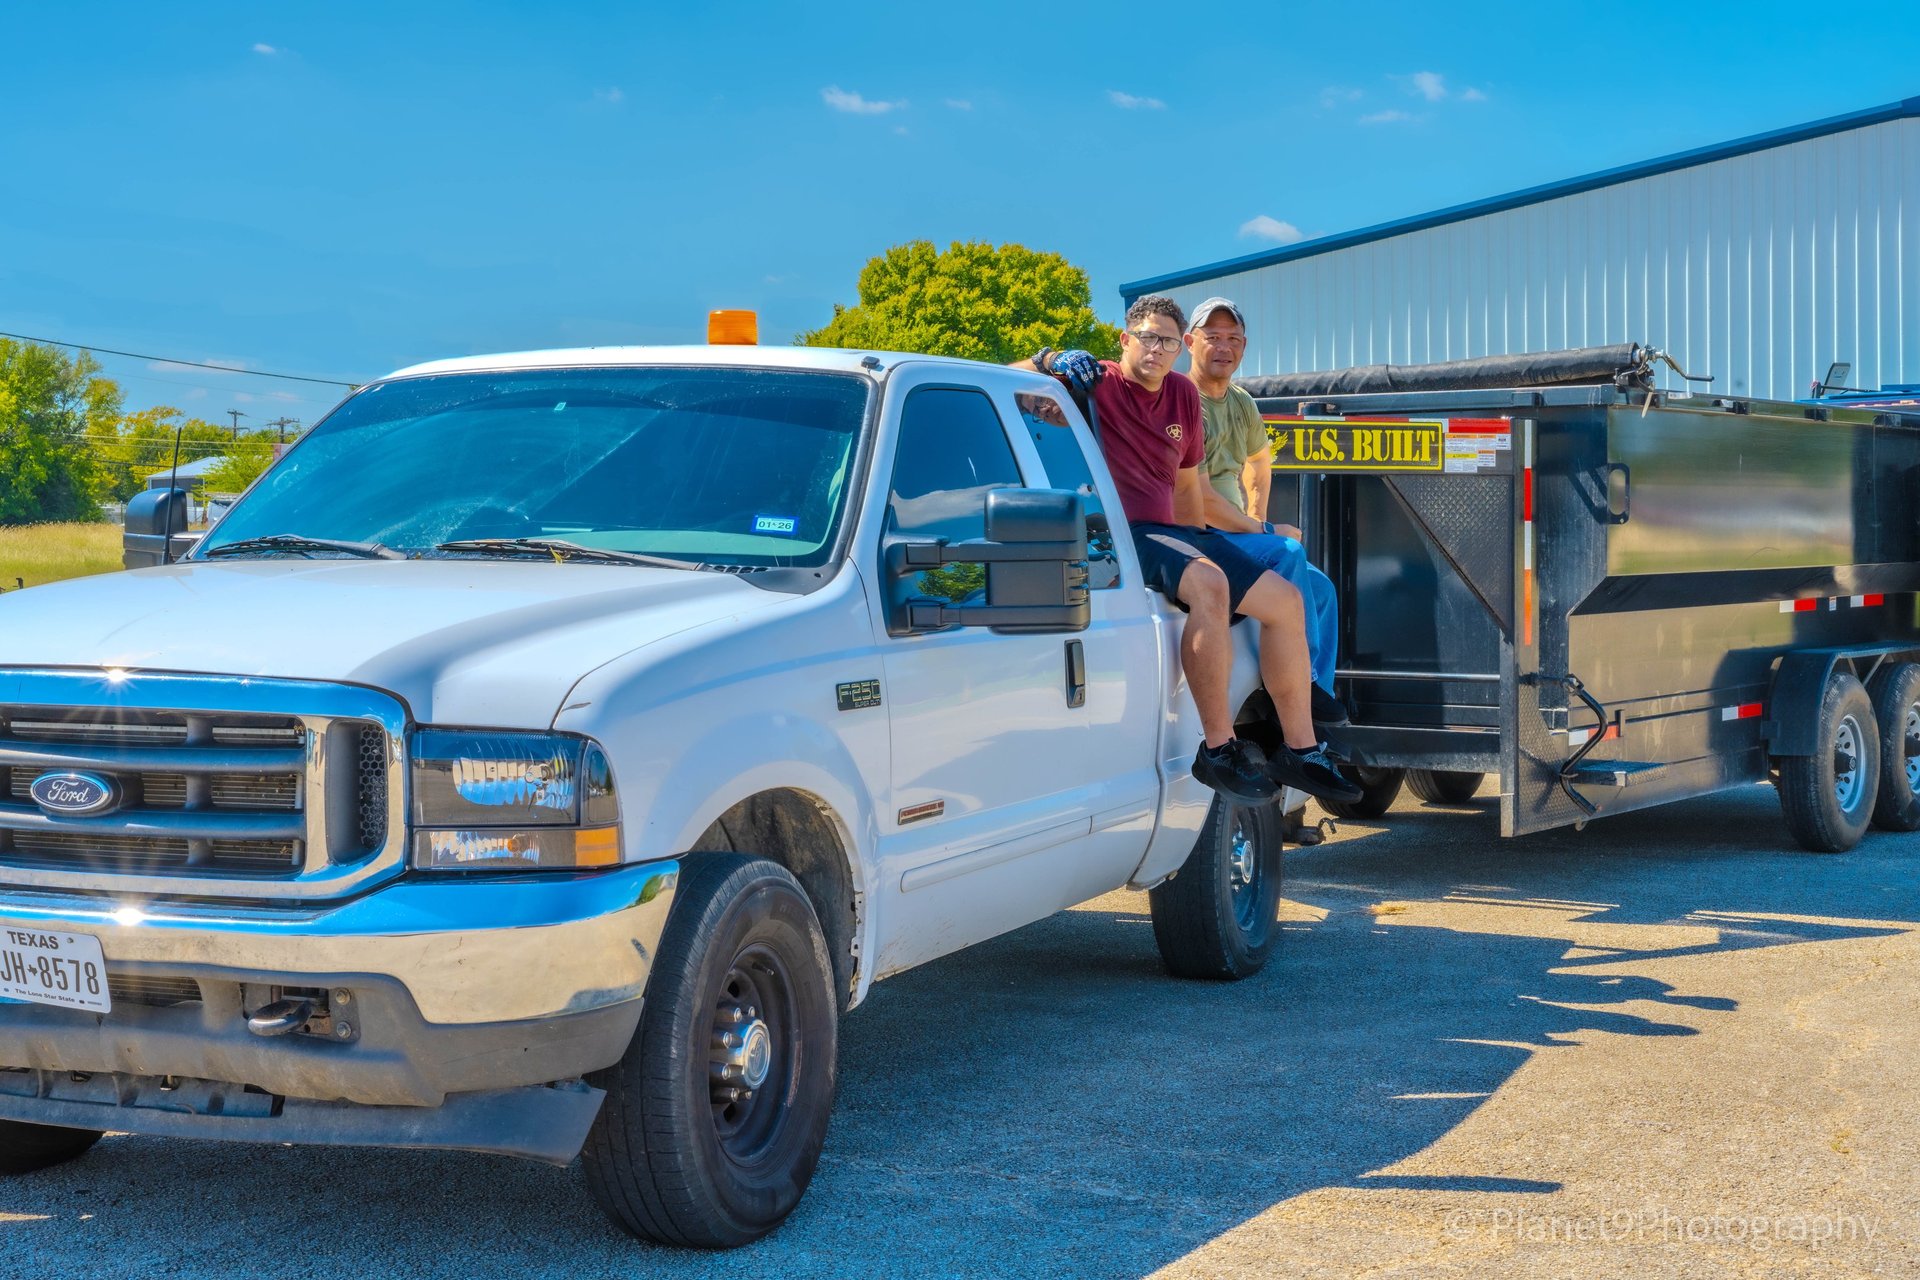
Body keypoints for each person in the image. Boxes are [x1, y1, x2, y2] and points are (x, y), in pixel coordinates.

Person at [1016, 295, 1358, 807]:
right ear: (1126, 339)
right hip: (1121, 531)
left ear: (1181, 348)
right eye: (1148, 337)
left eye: (1168, 340)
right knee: (1209, 584)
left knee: (1287, 600)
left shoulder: (1181, 393)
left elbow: (1187, 488)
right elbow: (1005, 382)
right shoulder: (1097, 382)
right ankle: (1219, 749)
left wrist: (1211, 540)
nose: (1158, 349)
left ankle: (1302, 750)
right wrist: (1048, 361)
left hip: (1177, 527)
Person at [1183, 297, 1343, 720]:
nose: (1224, 347)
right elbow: (1201, 505)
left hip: (1234, 530)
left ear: (1245, 346)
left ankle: (1317, 692)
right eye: (1212, 337)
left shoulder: (1240, 402)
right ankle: (1298, 686)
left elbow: (1259, 464)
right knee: (1286, 551)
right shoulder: (1181, 400)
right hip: (1199, 534)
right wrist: (1264, 529)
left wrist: (1256, 516)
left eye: (1233, 338)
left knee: (1322, 589)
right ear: (1188, 342)